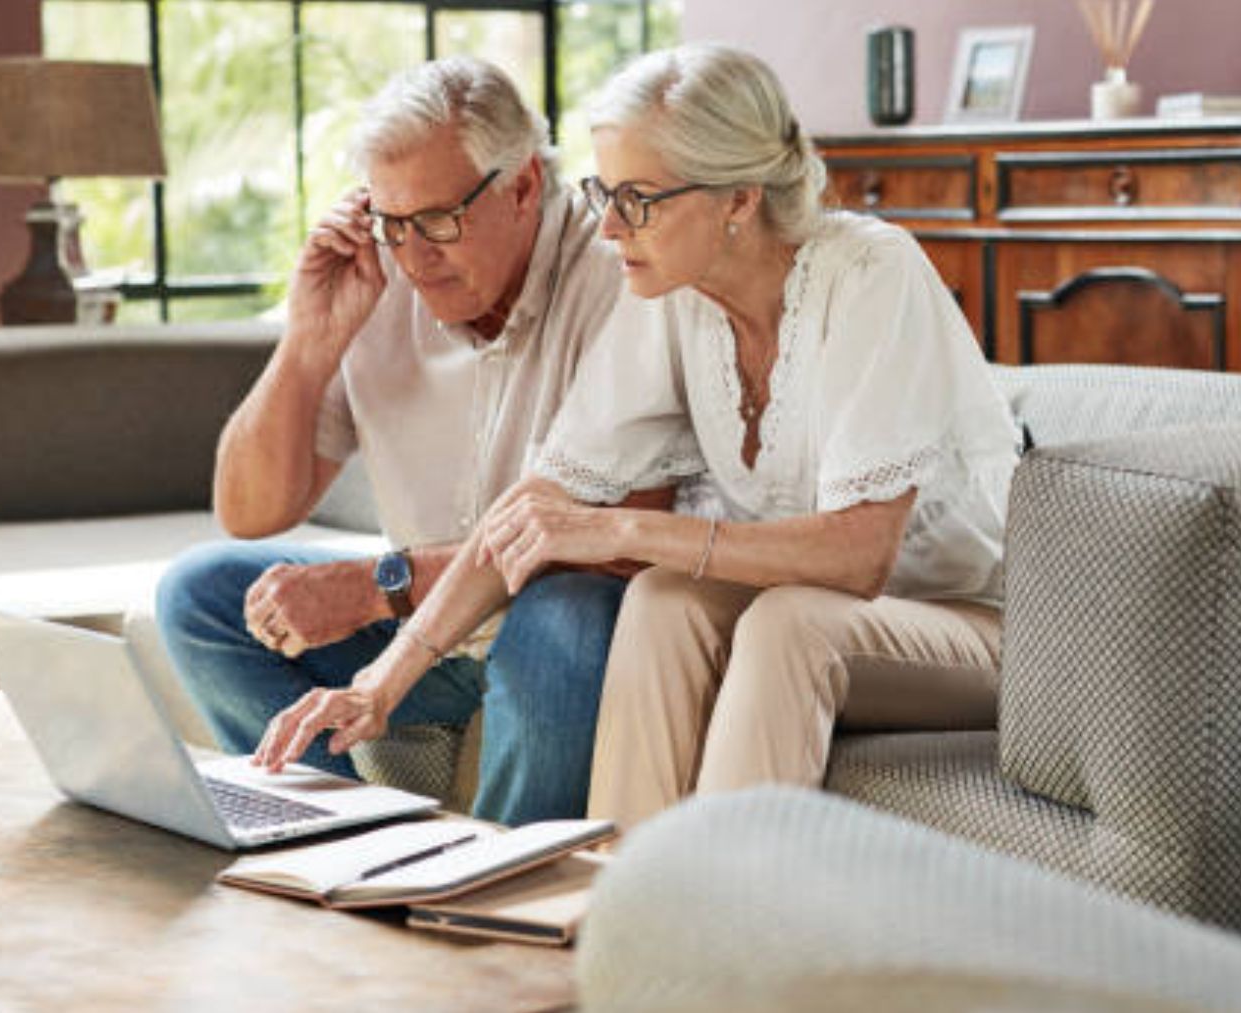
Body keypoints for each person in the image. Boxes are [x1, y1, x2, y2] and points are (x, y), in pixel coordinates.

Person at [249, 43, 1021, 834]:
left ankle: (723, 929)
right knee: (663, 598)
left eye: (638, 199)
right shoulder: (672, 294)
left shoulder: (871, 274)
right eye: (603, 192)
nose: (609, 225)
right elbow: (539, 505)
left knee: (786, 624)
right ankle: (614, 904)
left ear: (739, 200)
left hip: (977, 624)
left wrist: (621, 527)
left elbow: (860, 557)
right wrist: (381, 680)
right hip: (830, 611)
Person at [156, 57, 645, 827]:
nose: (414, 256)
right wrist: (308, 341)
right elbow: (249, 511)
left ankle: (492, 889)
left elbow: (611, 538)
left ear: (521, 186)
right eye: (393, 221)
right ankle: (338, 845)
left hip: (556, 635)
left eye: (439, 220)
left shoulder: (617, 276)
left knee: (569, 608)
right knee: (201, 594)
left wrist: (375, 584)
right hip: (419, 632)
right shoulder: (380, 270)